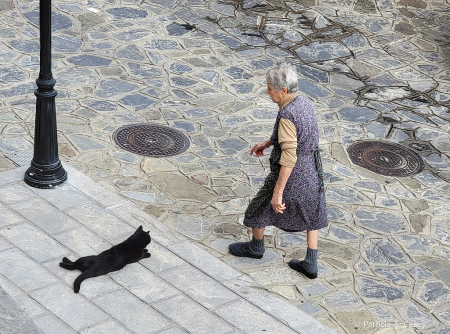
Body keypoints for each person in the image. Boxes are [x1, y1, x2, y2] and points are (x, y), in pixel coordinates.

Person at [229, 63, 328, 279]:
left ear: (283, 90)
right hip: (312, 170)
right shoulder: (304, 102)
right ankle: (311, 262)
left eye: (269, 88)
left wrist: (278, 192)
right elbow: (296, 138)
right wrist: (268, 143)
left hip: (291, 173)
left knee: (257, 209)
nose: (267, 92)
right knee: (313, 211)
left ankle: (256, 247)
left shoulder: (287, 115)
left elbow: (289, 156)